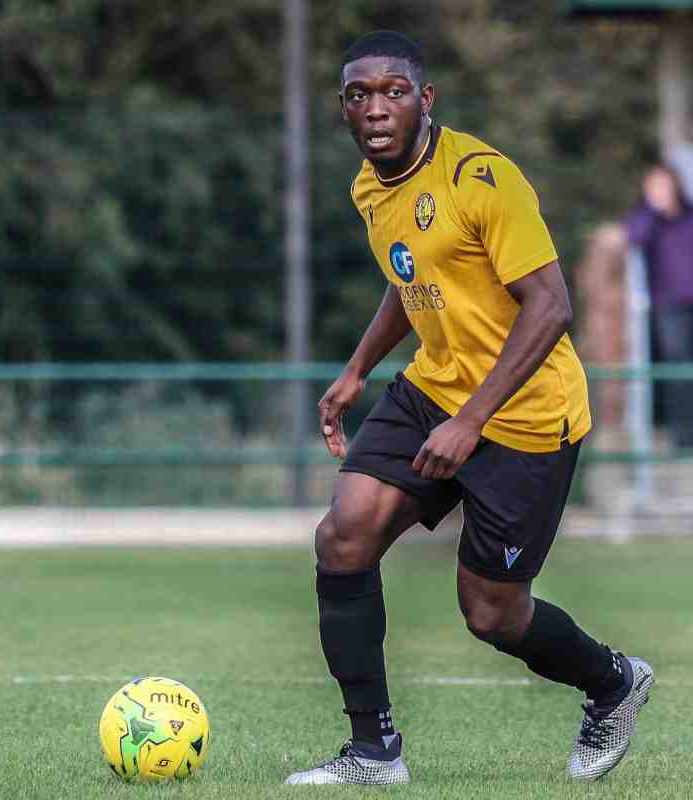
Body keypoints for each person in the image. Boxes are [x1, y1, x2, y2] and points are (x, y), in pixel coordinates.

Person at [284, 31, 653, 786]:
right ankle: (373, 752)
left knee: (491, 612)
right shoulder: (370, 188)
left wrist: (472, 422)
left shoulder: (483, 179)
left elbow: (551, 306)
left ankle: (613, 682)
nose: (376, 109)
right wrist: (357, 370)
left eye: (394, 92)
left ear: (425, 100)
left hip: (526, 417)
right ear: (344, 109)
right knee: (343, 536)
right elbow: (411, 274)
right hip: (435, 389)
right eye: (359, 95)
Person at [626, 164, 693, 447]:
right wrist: (653, 211)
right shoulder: (646, 220)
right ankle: (683, 436)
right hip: (670, 307)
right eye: (653, 187)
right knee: (677, 370)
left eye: (664, 185)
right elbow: (634, 238)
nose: (660, 192)